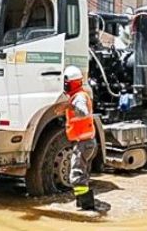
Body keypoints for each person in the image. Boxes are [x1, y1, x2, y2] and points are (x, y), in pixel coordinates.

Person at [60, 66, 98, 210]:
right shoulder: (79, 95)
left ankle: (88, 208)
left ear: (72, 83)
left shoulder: (79, 97)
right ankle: (82, 204)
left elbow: (83, 111)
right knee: (82, 175)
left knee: (76, 176)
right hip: (87, 142)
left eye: (66, 82)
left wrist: (69, 106)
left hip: (84, 144)